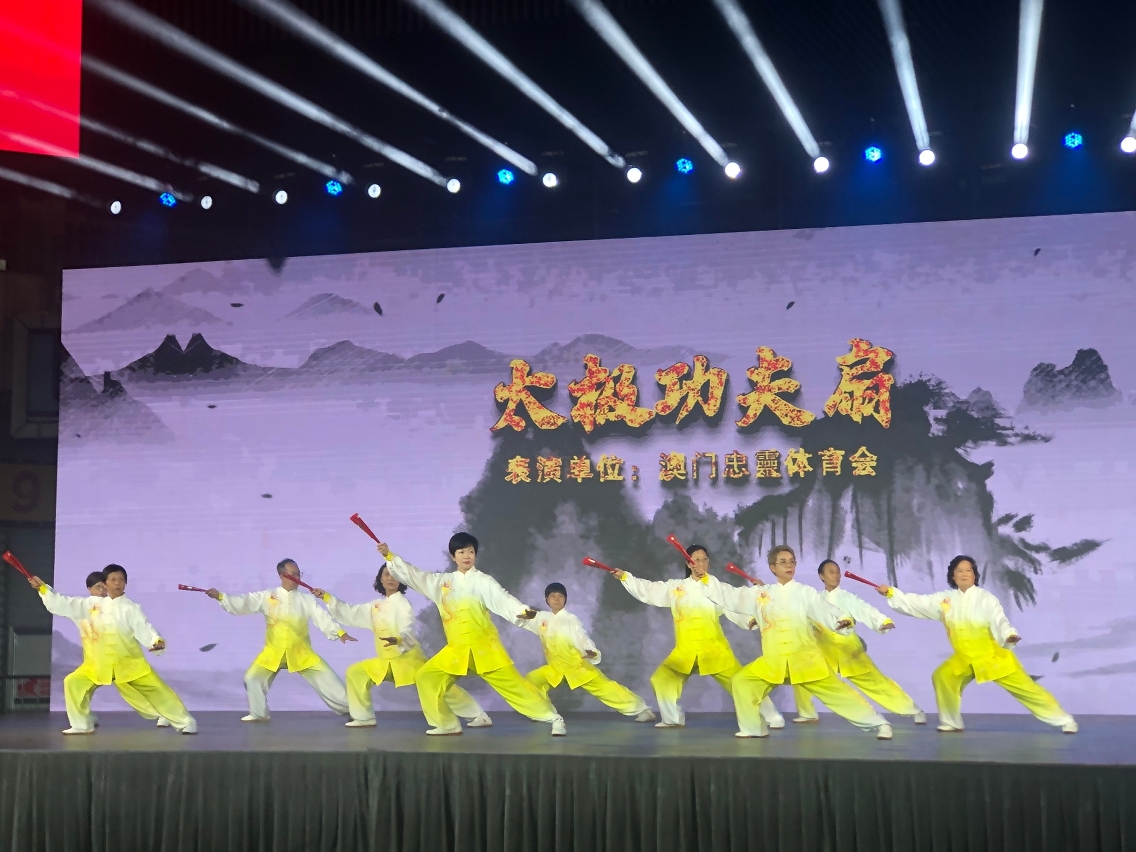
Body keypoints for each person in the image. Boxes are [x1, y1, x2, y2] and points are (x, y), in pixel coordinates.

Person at [381, 533, 567, 736]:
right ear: (453, 556)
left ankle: (554, 718)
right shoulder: (442, 583)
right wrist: (390, 557)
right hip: (457, 651)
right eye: (461, 552)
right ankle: (447, 724)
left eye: (470, 551)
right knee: (426, 677)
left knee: (517, 689)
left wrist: (522, 611)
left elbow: (503, 599)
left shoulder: (483, 581)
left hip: (485, 649)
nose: (466, 556)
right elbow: (414, 575)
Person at [876, 555, 1077, 734]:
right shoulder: (945, 600)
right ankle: (951, 721)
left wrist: (1009, 635)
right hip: (964, 658)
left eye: (968, 570)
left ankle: (1065, 720)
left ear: (974, 575)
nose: (964, 574)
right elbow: (917, 603)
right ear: (953, 576)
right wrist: (891, 593)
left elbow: (999, 620)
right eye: (959, 571)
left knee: (1028, 690)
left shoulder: (986, 599)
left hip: (993, 657)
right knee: (943, 676)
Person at [609, 544, 785, 730]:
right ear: (688, 563)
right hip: (685, 652)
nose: (701, 563)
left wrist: (750, 619)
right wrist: (625, 577)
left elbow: (734, 605)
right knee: (662, 680)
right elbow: (649, 590)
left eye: (704, 559)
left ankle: (772, 717)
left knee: (741, 683)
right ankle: (672, 718)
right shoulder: (676, 588)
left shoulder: (715, 588)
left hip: (714, 651)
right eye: (696, 560)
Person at [725, 546, 892, 739]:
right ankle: (753, 728)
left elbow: (824, 609)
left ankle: (880, 724)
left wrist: (840, 619)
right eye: (783, 562)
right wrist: (753, 609)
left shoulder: (805, 592)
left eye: (792, 561)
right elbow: (736, 601)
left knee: (840, 696)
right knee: (742, 682)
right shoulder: (764, 594)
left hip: (805, 661)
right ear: (773, 568)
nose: (789, 565)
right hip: (774, 662)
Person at [311, 562, 491, 729]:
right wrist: (327, 597)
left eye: (394, 575)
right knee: (356, 672)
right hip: (386, 663)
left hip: (408, 661)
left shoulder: (403, 604)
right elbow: (350, 612)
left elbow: (408, 625)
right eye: (386, 574)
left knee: (438, 685)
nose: (390, 578)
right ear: (380, 579)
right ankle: (363, 717)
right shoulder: (375, 606)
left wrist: (398, 639)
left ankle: (478, 715)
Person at [29, 564, 196, 735]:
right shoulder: (90, 605)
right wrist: (43, 588)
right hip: (96, 665)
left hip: (128, 663)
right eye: (113, 579)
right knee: (73, 682)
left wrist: (156, 641)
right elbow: (63, 603)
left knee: (158, 691)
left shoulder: (131, 608)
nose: (117, 583)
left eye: (121, 580)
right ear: (105, 583)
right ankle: (82, 724)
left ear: (125, 583)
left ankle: (186, 722)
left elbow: (144, 628)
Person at [207, 558, 355, 721]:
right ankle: (259, 714)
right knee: (252, 678)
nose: (297, 577)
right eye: (293, 574)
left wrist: (340, 633)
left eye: (298, 574)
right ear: (282, 575)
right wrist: (221, 596)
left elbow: (322, 617)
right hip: (273, 652)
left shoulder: (307, 599)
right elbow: (244, 602)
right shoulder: (267, 596)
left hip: (301, 652)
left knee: (330, 682)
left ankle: (356, 712)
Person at [792, 559, 925, 725]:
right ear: (821, 576)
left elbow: (865, 610)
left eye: (838, 572)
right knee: (802, 673)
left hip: (848, 649)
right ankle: (807, 713)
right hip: (823, 648)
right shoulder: (815, 599)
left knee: (876, 683)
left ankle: (913, 710)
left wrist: (882, 621)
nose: (836, 575)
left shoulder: (847, 598)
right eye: (831, 572)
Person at [518, 582, 655, 722]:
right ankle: (543, 712)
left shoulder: (571, 620)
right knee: (532, 680)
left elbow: (582, 638)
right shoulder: (542, 617)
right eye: (553, 596)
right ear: (547, 599)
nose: (557, 599)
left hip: (578, 667)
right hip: (555, 668)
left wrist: (591, 651)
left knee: (606, 689)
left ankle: (643, 710)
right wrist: (525, 613)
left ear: (565, 599)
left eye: (560, 596)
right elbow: (527, 616)